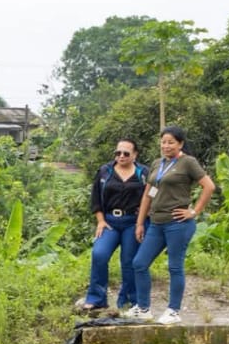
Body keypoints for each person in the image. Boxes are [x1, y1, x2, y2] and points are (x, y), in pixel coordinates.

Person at [129, 126, 216, 325]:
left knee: (174, 266)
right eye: (163, 142)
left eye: (171, 142)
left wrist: (194, 211)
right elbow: (148, 195)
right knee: (139, 263)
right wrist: (140, 223)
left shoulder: (188, 162)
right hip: (156, 223)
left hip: (178, 224)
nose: (166, 146)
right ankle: (143, 309)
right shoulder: (157, 163)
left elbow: (209, 186)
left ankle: (173, 311)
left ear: (180, 144)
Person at [74, 139, 146, 314]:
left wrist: (144, 216)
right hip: (109, 221)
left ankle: (128, 301)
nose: (121, 156)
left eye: (126, 153)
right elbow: (96, 198)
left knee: (129, 261)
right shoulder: (105, 172)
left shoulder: (143, 173)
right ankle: (97, 298)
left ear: (135, 155)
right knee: (99, 254)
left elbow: (152, 194)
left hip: (132, 222)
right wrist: (100, 220)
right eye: (118, 153)